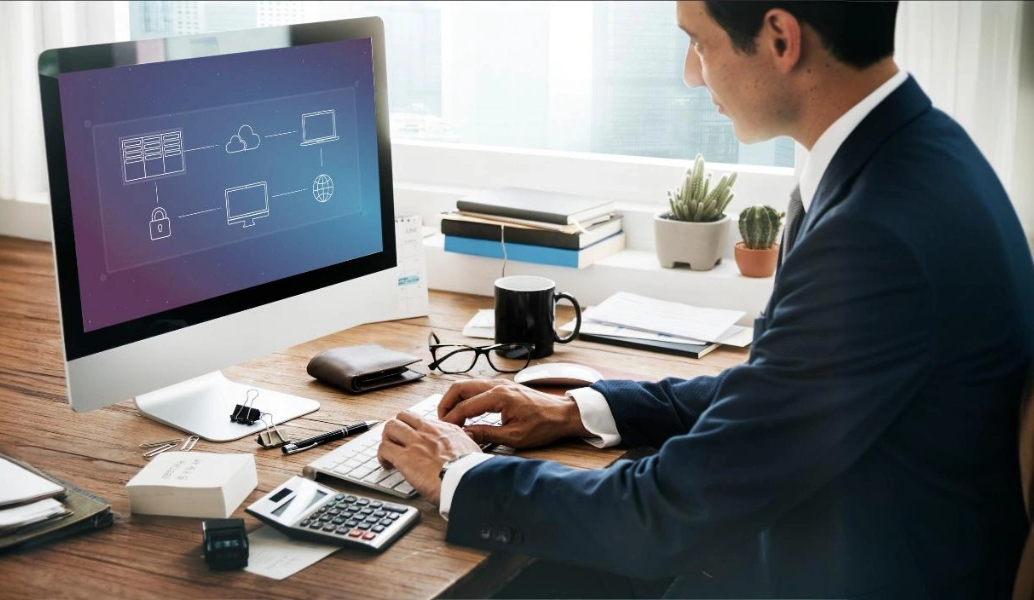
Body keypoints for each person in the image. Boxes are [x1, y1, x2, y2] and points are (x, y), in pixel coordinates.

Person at [376, 1, 1034, 598]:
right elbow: (780, 389)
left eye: (699, 42)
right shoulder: (912, 152)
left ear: (780, 38)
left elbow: (668, 514)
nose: (692, 75)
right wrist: (581, 410)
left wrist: (463, 476)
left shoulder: (876, 232)